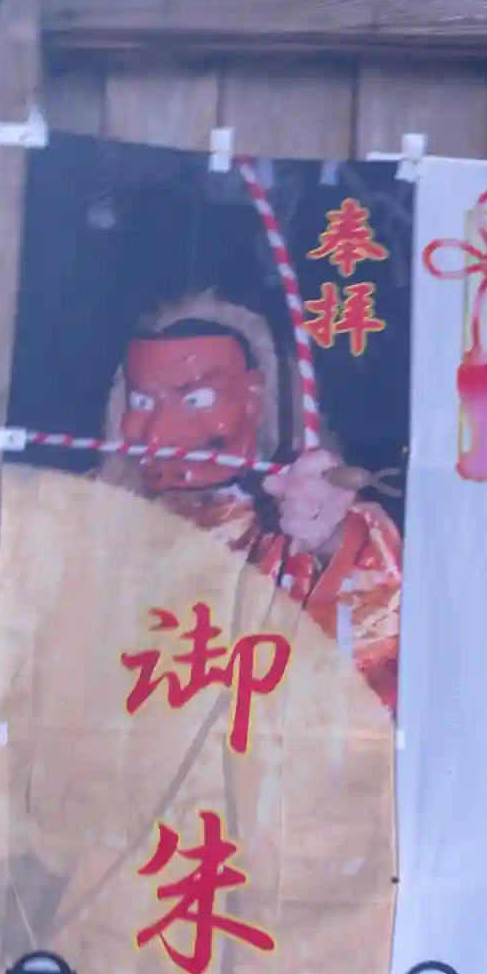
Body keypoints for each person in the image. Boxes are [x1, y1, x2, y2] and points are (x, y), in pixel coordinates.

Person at [97, 291, 405, 706]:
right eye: (141, 401)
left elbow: (375, 649)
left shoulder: (280, 535)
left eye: (196, 400)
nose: (156, 433)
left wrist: (332, 539)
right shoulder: (89, 522)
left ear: (255, 398)